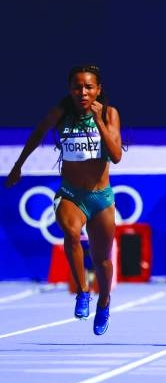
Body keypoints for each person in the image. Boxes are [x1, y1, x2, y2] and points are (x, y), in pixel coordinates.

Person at [4, 65, 123, 335]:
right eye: (77, 87)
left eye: (89, 87)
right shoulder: (61, 112)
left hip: (101, 197)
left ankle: (104, 301)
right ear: (70, 90)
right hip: (71, 193)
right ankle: (82, 291)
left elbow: (116, 156)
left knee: (102, 259)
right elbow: (37, 134)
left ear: (98, 90)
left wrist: (99, 121)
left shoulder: (109, 113)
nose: (83, 92)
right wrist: (19, 165)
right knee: (70, 233)